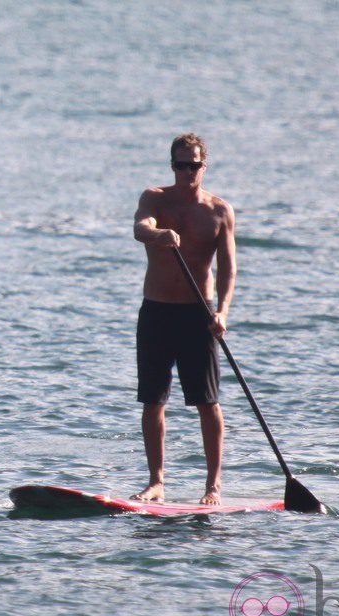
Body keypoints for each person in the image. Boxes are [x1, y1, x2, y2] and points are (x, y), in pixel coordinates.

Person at [131, 133, 236, 505]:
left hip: (199, 315)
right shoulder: (155, 199)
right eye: (180, 165)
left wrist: (221, 311)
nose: (187, 172)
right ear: (172, 165)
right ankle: (156, 482)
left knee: (207, 401)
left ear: (204, 166)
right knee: (153, 399)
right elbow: (139, 228)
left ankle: (213, 486)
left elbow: (227, 270)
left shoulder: (219, 211)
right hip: (157, 310)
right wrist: (159, 234)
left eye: (193, 165)